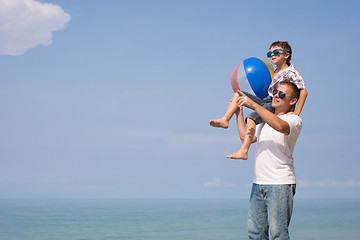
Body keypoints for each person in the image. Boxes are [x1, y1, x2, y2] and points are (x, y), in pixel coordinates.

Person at [209, 41, 307, 160]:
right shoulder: (274, 71)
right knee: (238, 94)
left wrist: (296, 112)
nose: (272, 55)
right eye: (269, 53)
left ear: (287, 55)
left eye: (276, 52)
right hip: (266, 99)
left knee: (251, 117)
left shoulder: (291, 73)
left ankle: (244, 150)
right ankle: (225, 119)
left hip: (273, 103)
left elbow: (303, 91)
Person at [233, 82, 302, 239]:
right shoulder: (263, 122)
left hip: (280, 184)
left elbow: (281, 127)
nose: (276, 95)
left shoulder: (294, 120)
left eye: (282, 94)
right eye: (276, 92)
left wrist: (255, 106)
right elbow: (246, 138)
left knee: (278, 234)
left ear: (293, 101)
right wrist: (239, 112)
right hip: (258, 183)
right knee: (255, 233)